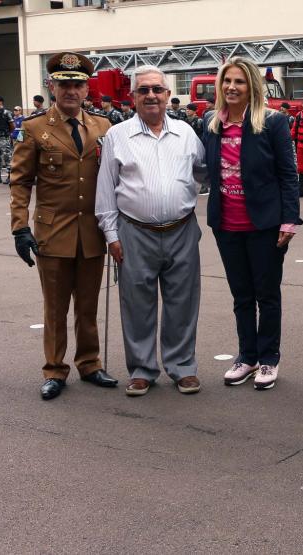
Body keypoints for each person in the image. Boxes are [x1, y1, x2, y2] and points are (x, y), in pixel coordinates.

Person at [9, 52, 116, 400]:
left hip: (92, 232)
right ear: (52, 87)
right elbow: (20, 181)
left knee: (87, 306)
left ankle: (90, 364)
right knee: (55, 308)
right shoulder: (34, 128)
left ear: (86, 89)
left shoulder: (103, 127)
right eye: (64, 84)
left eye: (77, 85)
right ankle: (54, 370)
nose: (71, 90)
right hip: (53, 232)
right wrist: (19, 227)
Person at [95, 65, 207, 397]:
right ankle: (142, 370)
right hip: (134, 232)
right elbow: (106, 189)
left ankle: (182, 367)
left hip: (182, 230)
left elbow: (203, 171)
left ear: (168, 95)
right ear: (133, 96)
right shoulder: (118, 135)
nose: (151, 95)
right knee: (136, 304)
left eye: (157, 89)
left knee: (182, 303)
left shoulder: (186, 133)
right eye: (143, 90)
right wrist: (112, 235)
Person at [202, 57, 300, 391]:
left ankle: (269, 358)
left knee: (266, 295)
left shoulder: (272, 122)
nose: (232, 87)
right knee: (241, 295)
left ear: (252, 87)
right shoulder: (210, 122)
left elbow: (288, 174)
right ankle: (247, 356)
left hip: (265, 224)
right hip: (226, 224)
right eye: (227, 81)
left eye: (239, 81)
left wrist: (289, 220)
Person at [0, 95, 15, 184]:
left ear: (0, 102)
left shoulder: (6, 112)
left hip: (3, 138)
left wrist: (7, 134)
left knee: (7, 157)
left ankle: (10, 176)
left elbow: (12, 126)